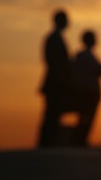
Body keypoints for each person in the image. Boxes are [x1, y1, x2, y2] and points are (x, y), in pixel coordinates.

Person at [38, 9, 71, 148]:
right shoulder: (53, 39)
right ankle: (45, 142)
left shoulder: (55, 38)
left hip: (57, 83)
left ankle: (48, 142)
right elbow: (53, 62)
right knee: (51, 112)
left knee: (53, 113)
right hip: (55, 83)